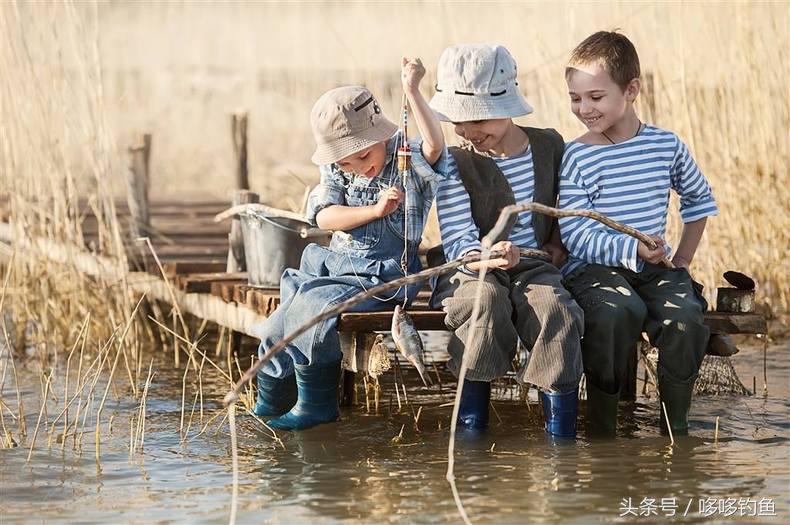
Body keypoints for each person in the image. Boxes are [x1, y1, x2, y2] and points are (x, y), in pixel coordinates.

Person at [251, 59, 446, 431]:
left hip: (385, 276)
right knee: (276, 324)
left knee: (313, 305)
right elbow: (323, 217)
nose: (360, 167)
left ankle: (317, 404)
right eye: (348, 162)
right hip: (335, 265)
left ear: (382, 137)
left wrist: (412, 91)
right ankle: (270, 403)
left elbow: (436, 145)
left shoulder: (406, 161)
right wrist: (374, 210)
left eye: (365, 156)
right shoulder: (337, 169)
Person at [559, 31, 718, 436]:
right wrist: (632, 248)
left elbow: (699, 199)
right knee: (617, 311)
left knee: (685, 317)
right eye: (576, 98)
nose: (584, 108)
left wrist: (681, 259)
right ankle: (603, 428)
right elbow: (575, 234)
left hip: (654, 268)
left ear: (631, 90)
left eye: (595, 97)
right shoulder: (578, 154)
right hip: (593, 269)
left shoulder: (665, 145)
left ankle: (675, 428)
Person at [428, 44, 584, 437]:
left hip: (535, 264)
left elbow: (566, 208)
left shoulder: (550, 145)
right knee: (484, 302)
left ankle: (560, 437)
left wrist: (559, 245)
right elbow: (458, 235)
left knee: (556, 311)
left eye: (477, 119)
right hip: (470, 266)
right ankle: (470, 430)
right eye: (458, 123)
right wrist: (483, 257)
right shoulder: (454, 161)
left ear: (508, 107)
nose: (467, 131)